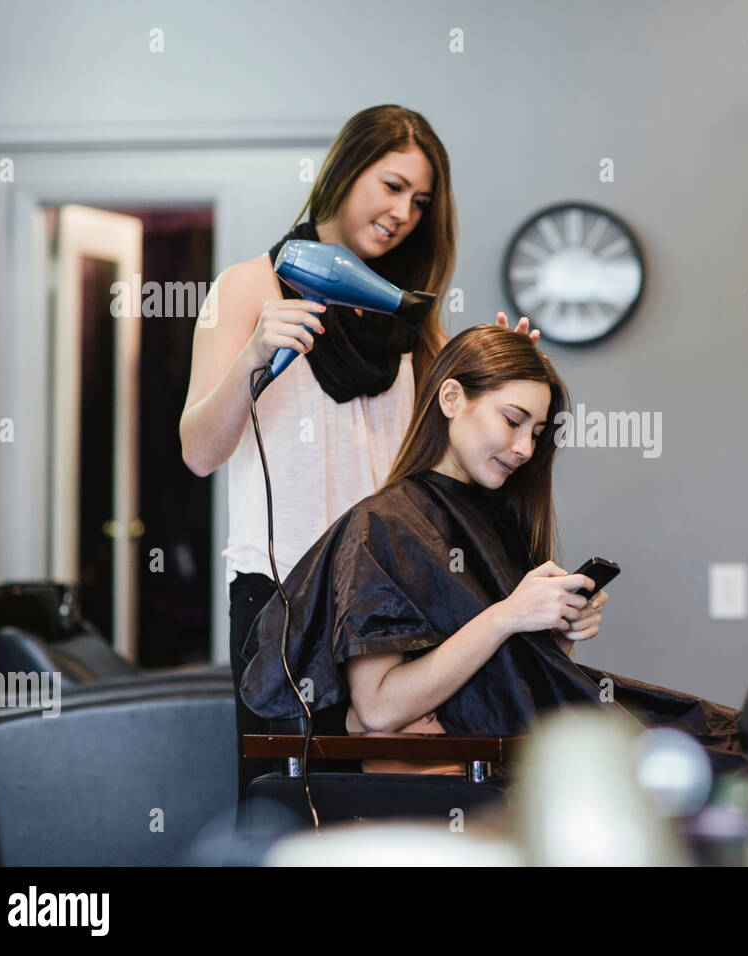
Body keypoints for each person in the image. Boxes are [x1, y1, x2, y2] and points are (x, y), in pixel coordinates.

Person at [178, 104, 538, 804]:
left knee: (386, 805)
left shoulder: (410, 319)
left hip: (383, 600)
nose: (404, 212)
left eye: (421, 201)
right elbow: (198, 451)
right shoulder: (249, 287)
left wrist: (503, 388)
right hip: (281, 596)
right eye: (392, 185)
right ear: (345, 172)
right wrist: (253, 354)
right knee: (291, 801)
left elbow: (440, 466)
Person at [240, 325, 748, 777]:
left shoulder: (497, 518)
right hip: (463, 773)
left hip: (514, 747)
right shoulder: (384, 525)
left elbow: (512, 681)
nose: (525, 449)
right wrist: (508, 615)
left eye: (536, 431)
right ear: (450, 399)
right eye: (512, 420)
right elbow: (377, 709)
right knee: (709, 767)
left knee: (737, 740)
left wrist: (556, 631)